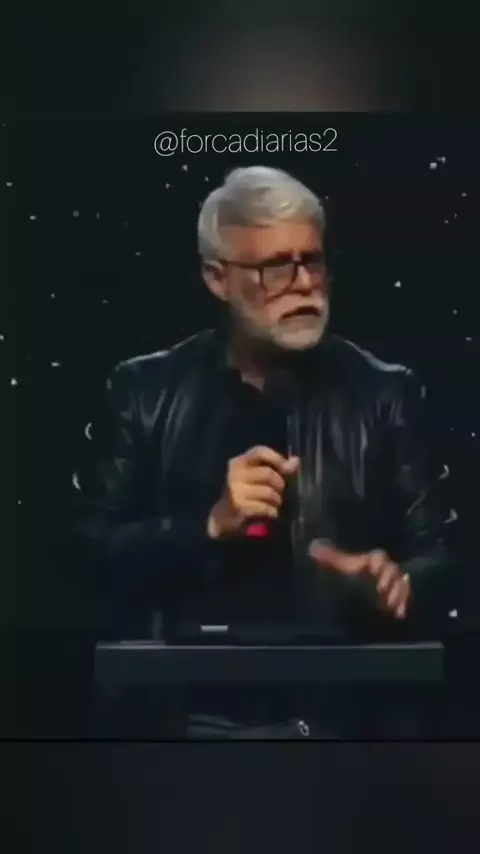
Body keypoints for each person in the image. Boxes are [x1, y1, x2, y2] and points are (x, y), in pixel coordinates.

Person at [72, 166, 457, 738]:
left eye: (313, 261)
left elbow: (444, 556)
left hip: (339, 727)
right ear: (218, 278)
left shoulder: (386, 394)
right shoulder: (144, 393)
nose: (303, 283)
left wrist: (393, 583)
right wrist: (206, 527)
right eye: (276, 266)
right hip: (181, 726)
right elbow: (87, 556)